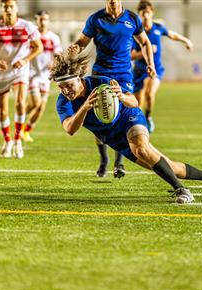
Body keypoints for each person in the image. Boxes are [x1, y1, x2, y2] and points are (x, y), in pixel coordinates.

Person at [51, 52, 202, 203]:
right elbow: (70, 129)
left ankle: (182, 190)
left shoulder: (100, 82)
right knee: (168, 166)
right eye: (61, 88)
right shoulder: (63, 102)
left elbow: (133, 101)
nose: (66, 91)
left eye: (68, 85)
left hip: (129, 118)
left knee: (141, 148)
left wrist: (121, 97)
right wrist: (85, 107)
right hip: (112, 137)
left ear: (79, 79)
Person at [66, 0, 156, 178]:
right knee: (101, 118)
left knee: (122, 116)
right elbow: (82, 41)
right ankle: (103, 159)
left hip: (123, 77)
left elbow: (145, 43)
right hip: (100, 74)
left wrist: (150, 64)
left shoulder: (132, 18)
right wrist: (74, 49)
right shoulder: (95, 19)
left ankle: (119, 162)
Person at [0, 0, 42, 158]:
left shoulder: (27, 26)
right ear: (2, 9)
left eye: (11, 7)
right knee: (3, 110)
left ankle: (17, 140)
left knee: (20, 103)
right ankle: (7, 140)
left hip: (20, 71)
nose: (9, 9)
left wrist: (25, 60)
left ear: (16, 8)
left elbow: (39, 47)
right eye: (5, 7)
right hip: (2, 73)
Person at [132, 0, 193, 133]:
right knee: (138, 103)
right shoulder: (136, 33)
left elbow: (172, 35)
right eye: (143, 13)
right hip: (139, 71)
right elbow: (131, 55)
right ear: (139, 15)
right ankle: (139, 123)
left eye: (148, 12)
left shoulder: (158, 28)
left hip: (156, 69)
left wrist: (185, 40)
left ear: (152, 13)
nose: (146, 15)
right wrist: (145, 52)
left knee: (149, 92)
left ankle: (148, 117)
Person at [22, 10, 62, 142]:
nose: (43, 22)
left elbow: (58, 54)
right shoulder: (32, 36)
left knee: (40, 108)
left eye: (45, 19)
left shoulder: (54, 37)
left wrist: (54, 64)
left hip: (46, 76)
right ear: (36, 20)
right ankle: (19, 120)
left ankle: (25, 131)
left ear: (48, 21)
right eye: (40, 19)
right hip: (32, 74)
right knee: (36, 102)